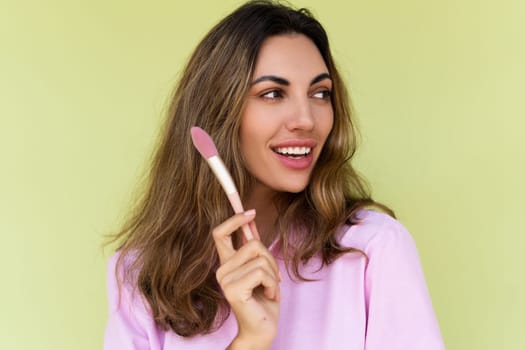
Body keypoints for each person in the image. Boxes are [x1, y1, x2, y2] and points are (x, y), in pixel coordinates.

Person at [103, 1, 445, 349]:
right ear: (219, 112)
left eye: (320, 93)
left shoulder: (372, 250)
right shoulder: (141, 274)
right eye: (273, 94)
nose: (306, 119)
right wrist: (250, 341)